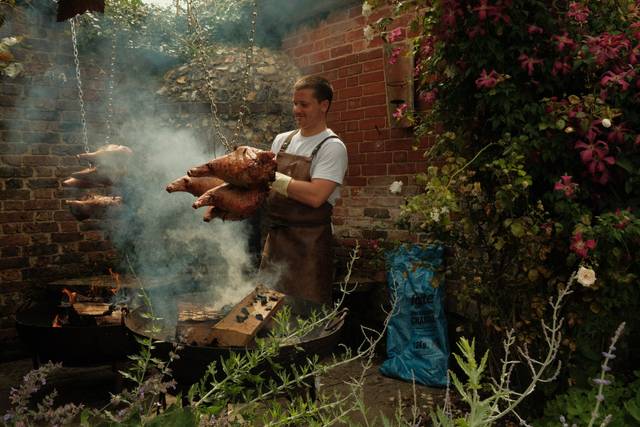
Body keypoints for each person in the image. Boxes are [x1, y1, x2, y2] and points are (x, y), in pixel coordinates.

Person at [259, 75, 348, 305]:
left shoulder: (332, 147)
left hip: (309, 248)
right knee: (265, 315)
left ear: (324, 105)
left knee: (305, 317)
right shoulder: (281, 141)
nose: (297, 110)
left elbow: (316, 195)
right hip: (276, 242)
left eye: (304, 104)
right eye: (295, 103)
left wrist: (271, 176)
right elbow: (264, 189)